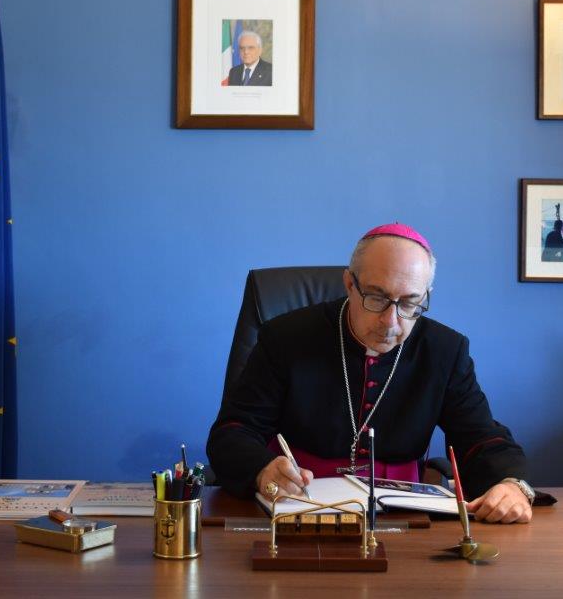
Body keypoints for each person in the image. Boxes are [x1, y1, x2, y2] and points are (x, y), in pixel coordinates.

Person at [207, 223, 534, 523]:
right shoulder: (285, 338)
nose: (391, 321)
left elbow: (480, 437)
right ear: (350, 284)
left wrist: (511, 484)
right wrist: (262, 470)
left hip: (401, 514)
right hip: (298, 508)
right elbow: (234, 430)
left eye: (409, 303)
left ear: (425, 296)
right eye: (377, 298)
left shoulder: (445, 351)